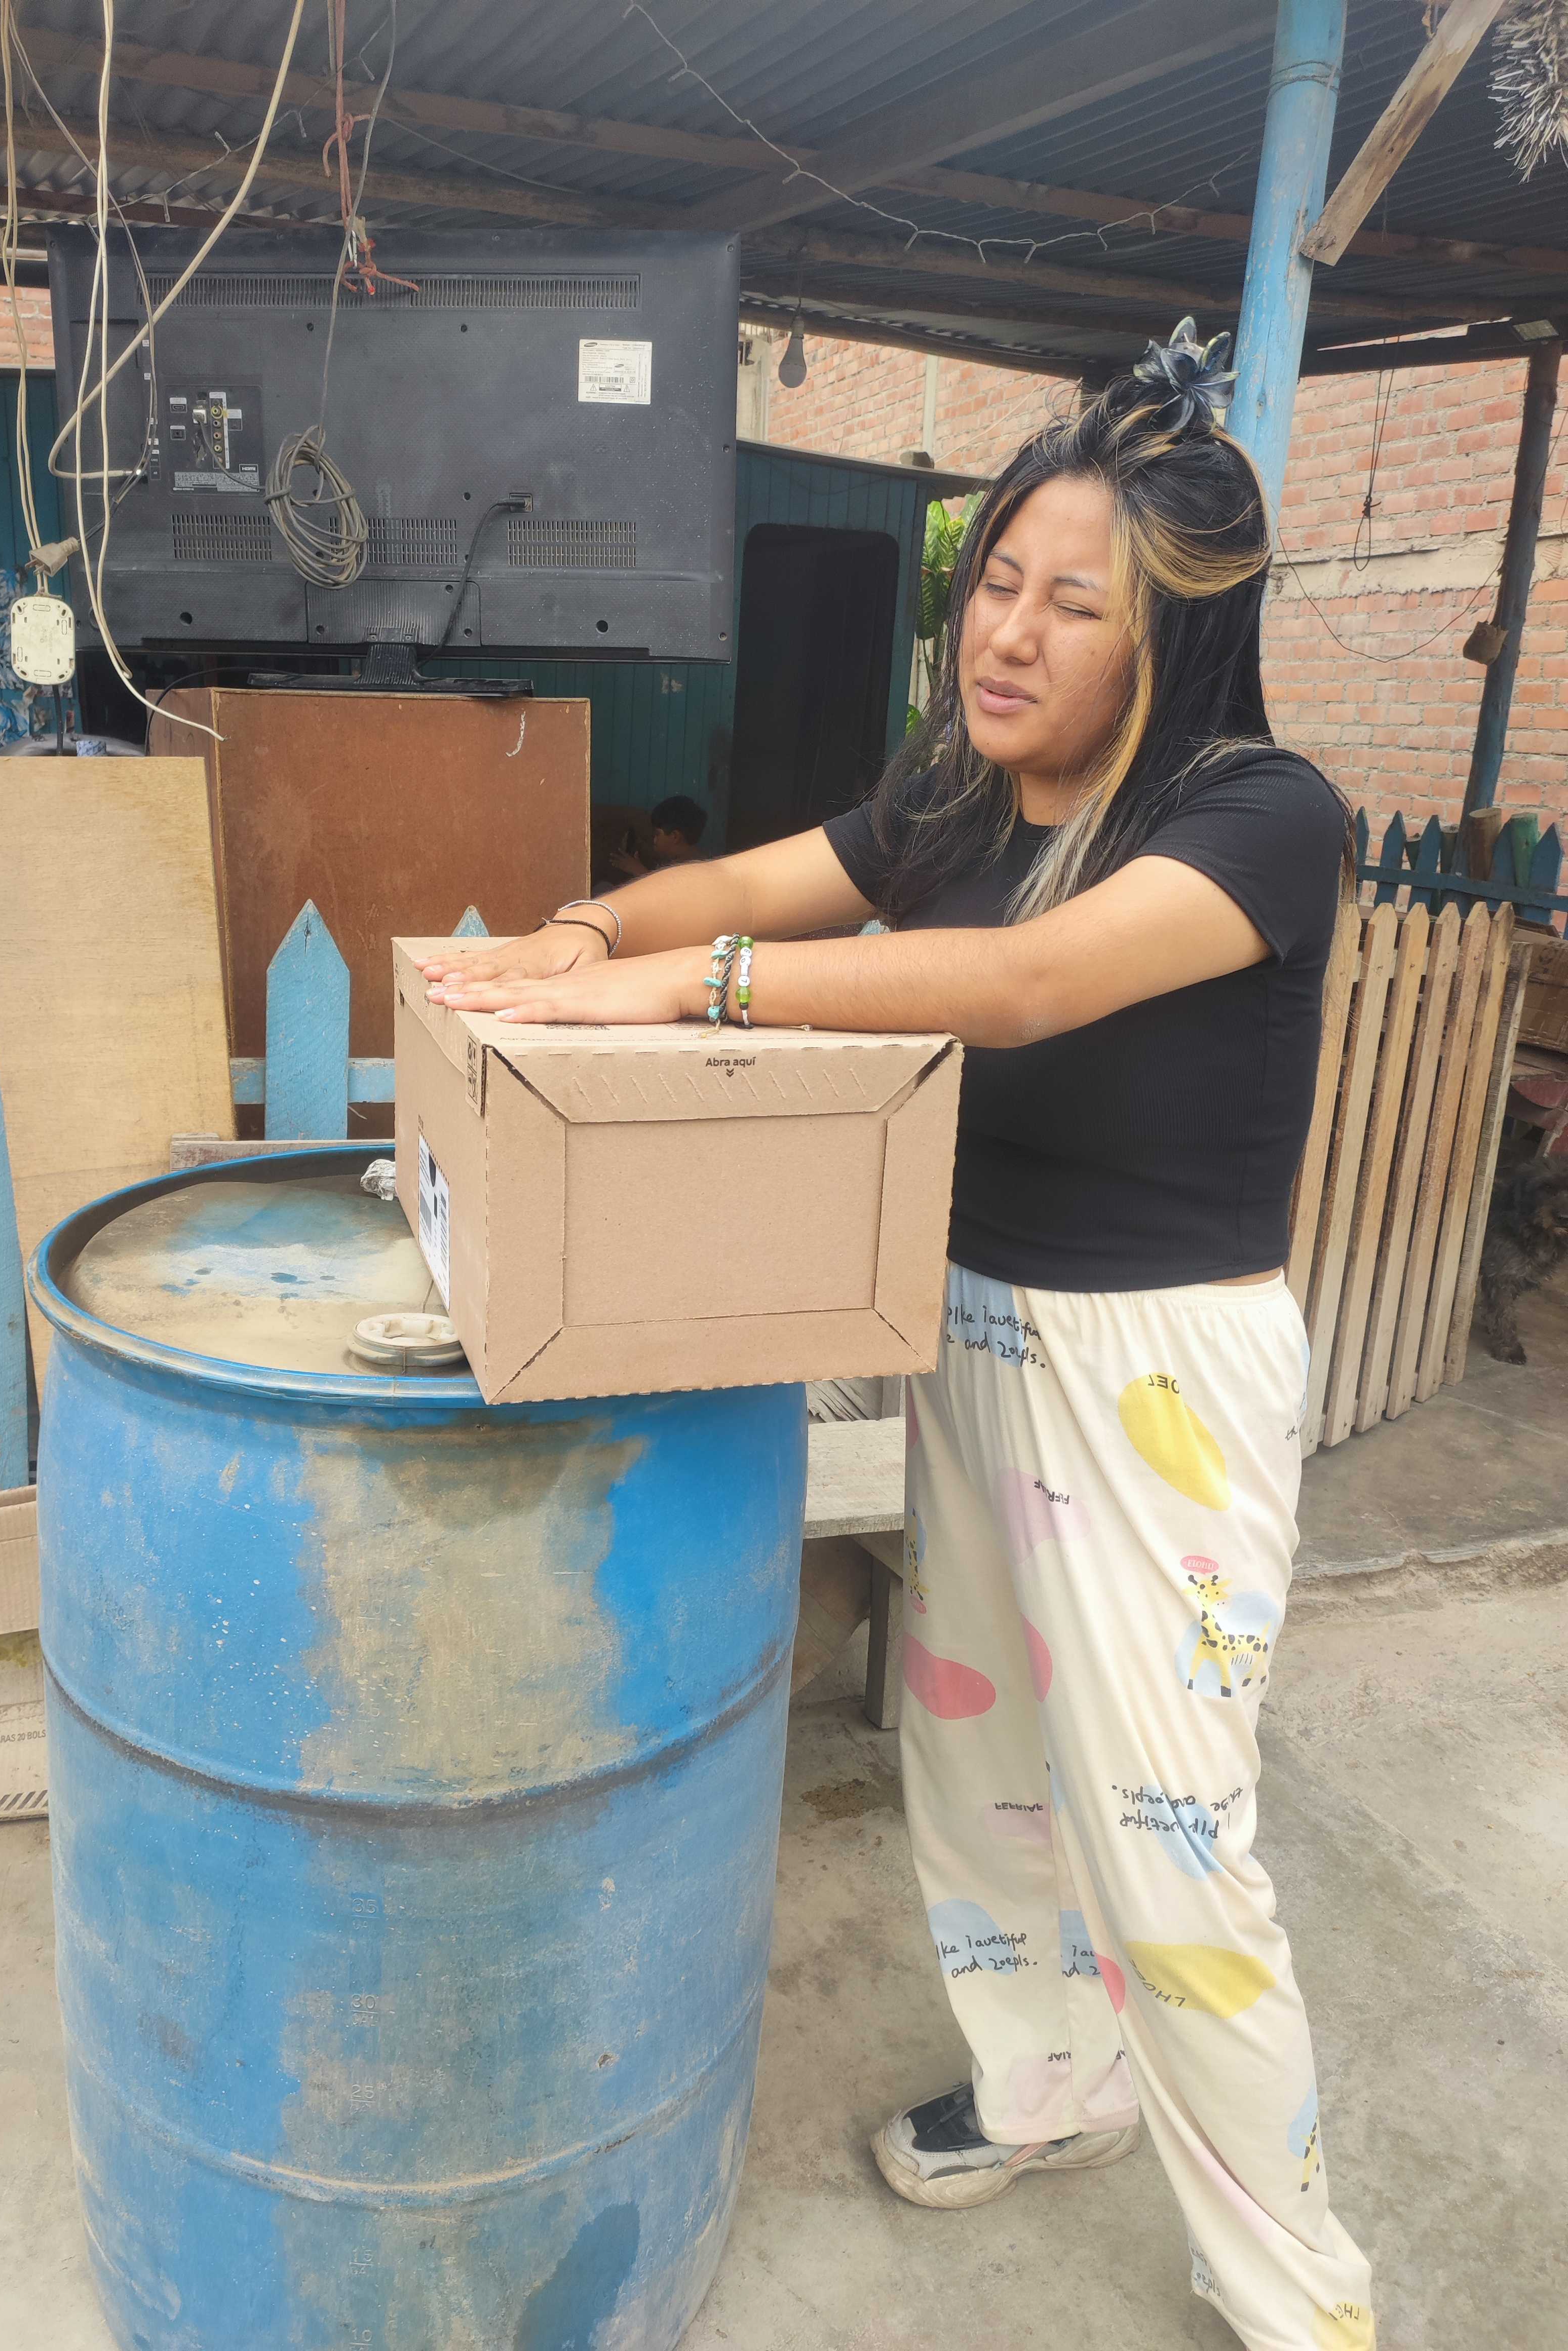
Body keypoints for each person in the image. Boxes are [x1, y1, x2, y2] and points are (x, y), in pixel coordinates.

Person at [420, 325, 1374, 2351]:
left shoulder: (1260, 814)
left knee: (1170, 1840)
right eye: (993, 583)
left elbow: (1023, 986)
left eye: (1071, 603)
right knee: (976, 1756)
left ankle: (1298, 2291)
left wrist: (698, 989)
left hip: (1155, 1378)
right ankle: (1053, 2086)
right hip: (968, 1328)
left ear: (1180, 631)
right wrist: (597, 929)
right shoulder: (962, 788)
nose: (1006, 634)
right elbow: (771, 875)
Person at [607, 794, 710, 878]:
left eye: (657, 834)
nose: (654, 840)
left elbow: (667, 892)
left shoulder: (690, 869)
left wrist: (638, 870)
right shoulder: (684, 859)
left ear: (675, 837)